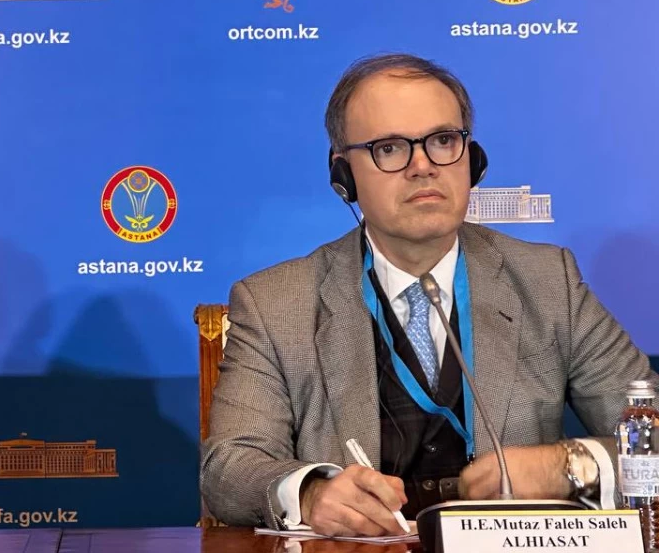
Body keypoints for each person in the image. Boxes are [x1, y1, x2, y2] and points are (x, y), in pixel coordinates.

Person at [200, 53, 657, 537]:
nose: (423, 167)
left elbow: (652, 436)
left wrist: (568, 467)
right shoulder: (276, 303)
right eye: (390, 148)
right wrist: (310, 492)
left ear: (472, 160)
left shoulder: (548, 282)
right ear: (343, 176)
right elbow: (229, 467)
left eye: (443, 141)